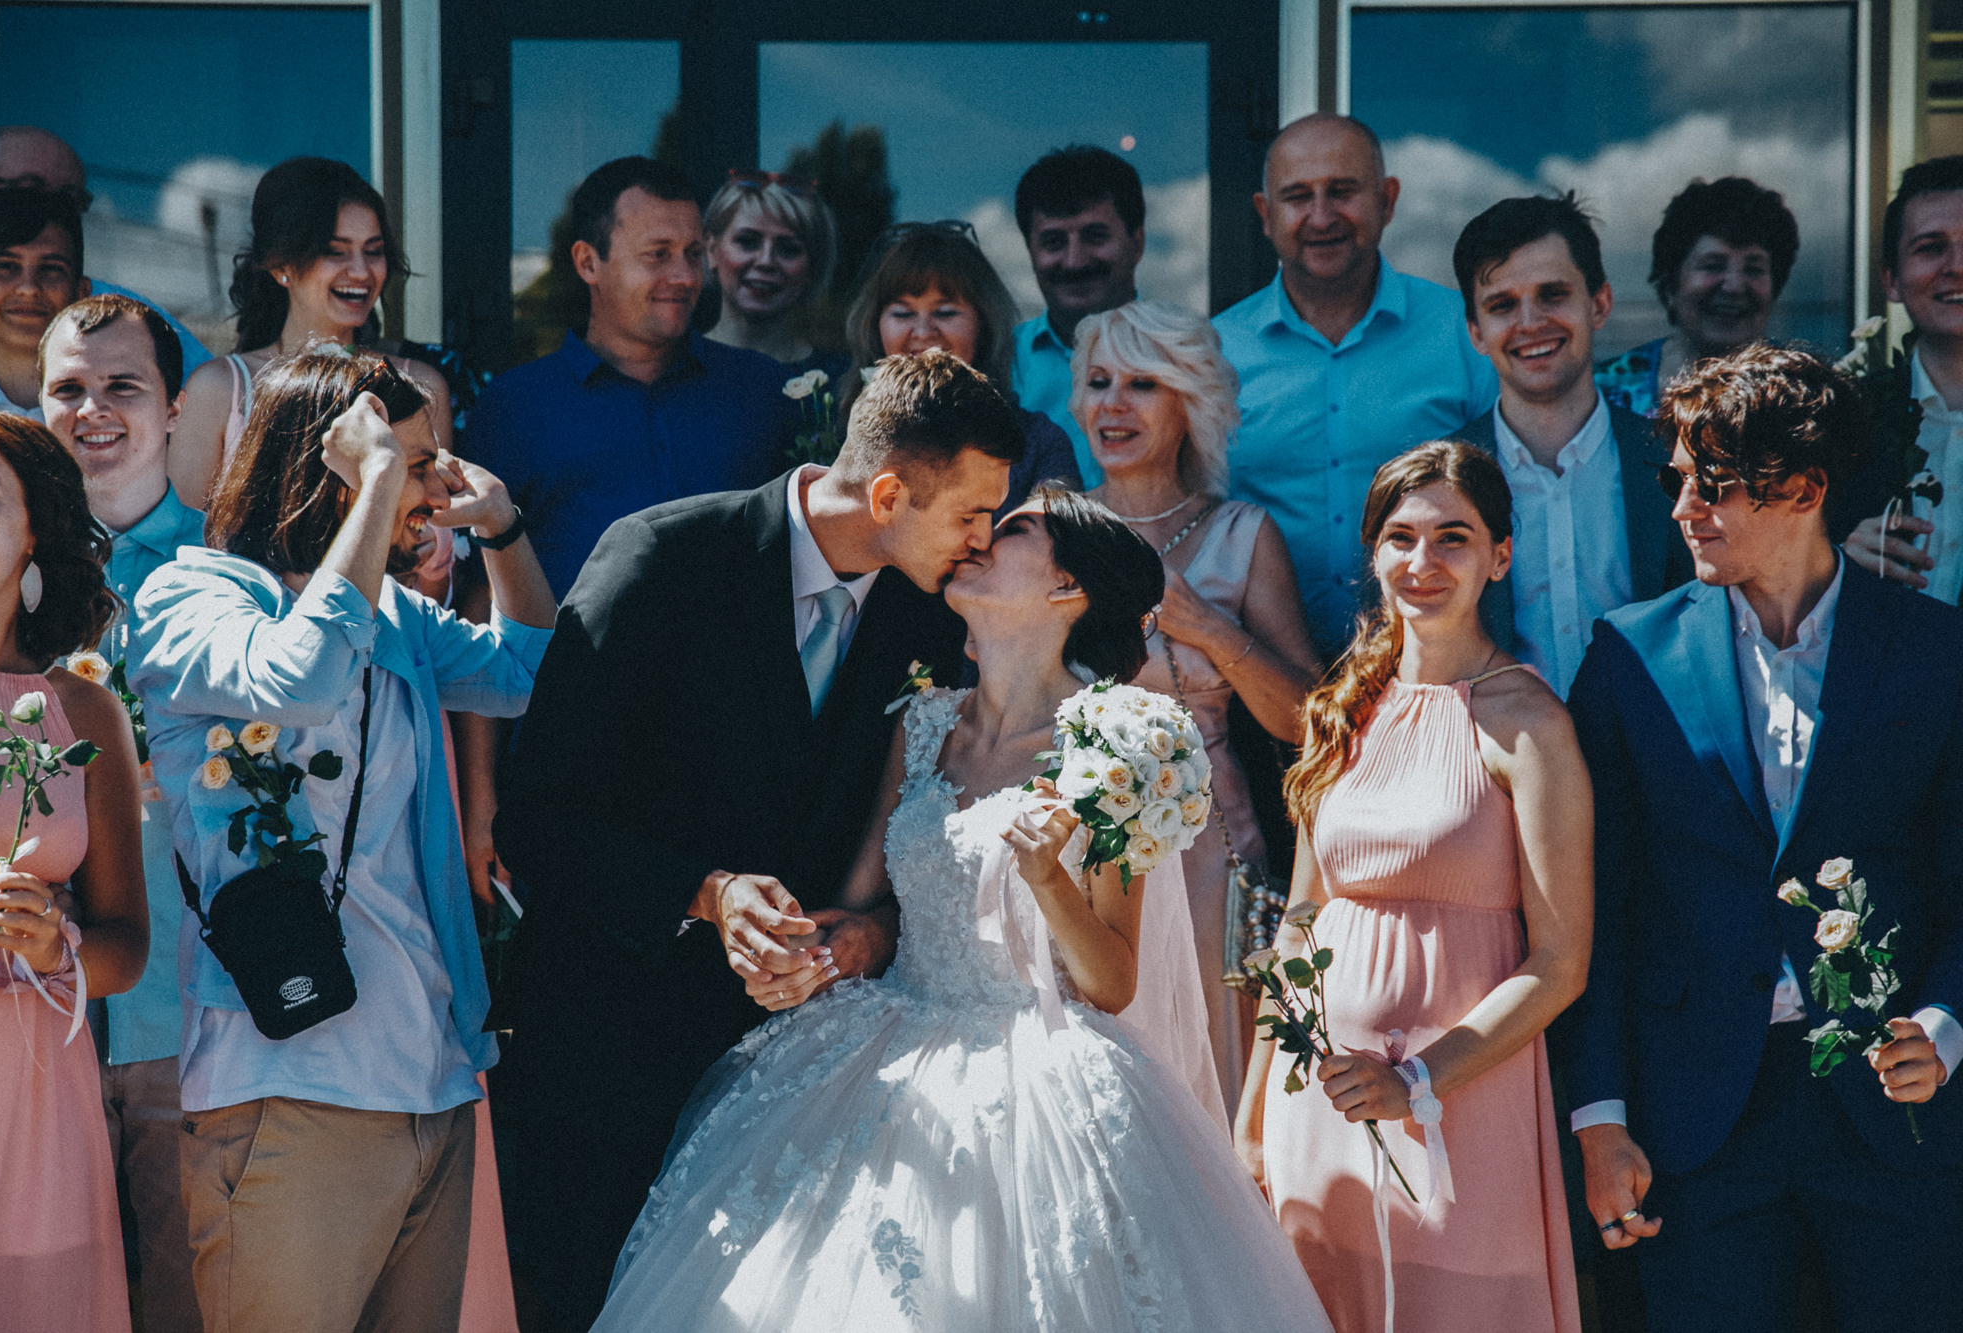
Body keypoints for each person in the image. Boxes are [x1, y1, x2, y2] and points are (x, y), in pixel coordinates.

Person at [590, 486, 1336, 1332]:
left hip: (1040, 1064)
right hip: (886, 1049)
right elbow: (869, 910)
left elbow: (1112, 981)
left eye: (1014, 528)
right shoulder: (923, 720)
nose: (979, 536)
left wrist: (1048, 876)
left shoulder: (1115, 740)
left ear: (1067, 587)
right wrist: (817, 952)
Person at [493, 351, 1025, 1332]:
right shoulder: (660, 556)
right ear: (886, 491)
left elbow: (913, 829)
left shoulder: (923, 611)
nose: (981, 542)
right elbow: (536, 815)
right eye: (968, 514)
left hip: (791, 1079)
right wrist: (707, 891)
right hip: (610, 1052)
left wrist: (867, 933)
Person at [129, 348, 555, 1332]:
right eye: (409, 461)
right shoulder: (191, 598)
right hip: (289, 1090)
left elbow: (529, 676)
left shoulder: (398, 614)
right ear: (337, 462)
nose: (428, 485)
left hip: (432, 1087)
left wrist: (503, 528)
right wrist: (374, 491)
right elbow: (297, 682)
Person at [1555, 345, 1963, 1332]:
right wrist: (1597, 1116)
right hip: (1694, 1111)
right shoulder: (1624, 655)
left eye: (1714, 485)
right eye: (1676, 480)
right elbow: (1595, 906)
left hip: (1888, 1102)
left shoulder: (1934, 649)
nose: (1682, 508)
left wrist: (1946, 1028)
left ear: (1803, 488)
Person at [1237, 440, 1591, 1333]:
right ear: (1372, 553)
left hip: (1459, 1104)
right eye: (1399, 538)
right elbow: (1300, 920)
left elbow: (1560, 962)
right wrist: (1251, 1112)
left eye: (1452, 538)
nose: (1421, 563)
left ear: (1499, 556)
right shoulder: (1343, 708)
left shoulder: (1531, 723)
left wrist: (1420, 1081)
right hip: (1314, 1098)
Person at [1071, 299, 1320, 1117]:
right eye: (1098, 381)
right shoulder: (1047, 526)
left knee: (1207, 1093)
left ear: (1192, 403)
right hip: (1067, 837)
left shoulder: (1243, 532)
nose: (1113, 404)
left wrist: (1204, 625)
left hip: (1205, 849)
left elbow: (1307, 722)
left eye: (1143, 383)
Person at [37, 293, 205, 1333]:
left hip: (181, 1012)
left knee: (189, 1305)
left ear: (176, 406)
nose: (93, 410)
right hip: (18, 1013)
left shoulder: (230, 576)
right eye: (69, 389)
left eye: (122, 387)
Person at [0, 408, 146, 1332]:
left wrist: (57, 939)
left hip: (34, 1106)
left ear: (35, 526)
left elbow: (127, 948)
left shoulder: (81, 708)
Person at [1214, 113, 1497, 657]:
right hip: (1261, 679)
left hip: (1434, 666)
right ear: (1265, 215)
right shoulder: (1215, 353)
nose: (1321, 216)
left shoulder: (1463, 332)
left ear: (1387, 201)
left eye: (1342, 191)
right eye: (1297, 197)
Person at [469, 155, 794, 602]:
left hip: (739, 669)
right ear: (587, 263)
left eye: (694, 254)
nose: (683, 276)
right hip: (567, 670)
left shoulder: (760, 392)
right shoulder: (514, 406)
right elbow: (475, 592)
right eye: (658, 254)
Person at [1450, 194, 1693, 696]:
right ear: (1476, 332)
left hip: (1650, 765)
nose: (1530, 322)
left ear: (1599, 304)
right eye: (1502, 305)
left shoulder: (1675, 461)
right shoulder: (1436, 482)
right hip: (1496, 766)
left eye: (1552, 294)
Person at [168, 157, 454, 509]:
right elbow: (182, 543)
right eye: (336, 252)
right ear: (279, 266)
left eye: (374, 251)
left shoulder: (421, 387)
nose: (361, 271)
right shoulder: (220, 390)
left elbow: (434, 528)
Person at [844, 221, 1081, 520]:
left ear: (984, 323)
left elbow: (1053, 544)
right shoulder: (837, 432)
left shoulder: (1038, 443)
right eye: (903, 313)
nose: (923, 331)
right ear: (875, 325)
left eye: (945, 312)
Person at [0, 126, 211, 374]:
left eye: (68, 201)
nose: (48, 210)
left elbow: (210, 391)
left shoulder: (121, 314)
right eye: (29, 190)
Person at [1839, 155, 1963, 595]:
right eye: (1931, 246)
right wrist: (1833, 566)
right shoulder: (1839, 423)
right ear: (1890, 281)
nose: (1957, 266)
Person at [1594, 177, 1799, 417]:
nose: (1734, 286)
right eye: (1713, 265)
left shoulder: (1806, 394)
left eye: (1754, 268)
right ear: (1671, 283)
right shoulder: (1603, 392)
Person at [1012, 144, 1146, 484]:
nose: (1074, 261)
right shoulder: (998, 363)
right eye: (1054, 242)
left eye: (1095, 236)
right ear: (1030, 252)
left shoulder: (1186, 360)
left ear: (1138, 243)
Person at [702, 168, 844, 378]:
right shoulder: (669, 369)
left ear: (813, 267)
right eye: (748, 242)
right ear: (712, 251)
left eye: (788, 249)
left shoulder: (842, 383)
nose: (766, 261)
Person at [0, 186, 87, 417]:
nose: (29, 288)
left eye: (51, 268)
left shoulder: (112, 418)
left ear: (81, 293)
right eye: (6, 266)